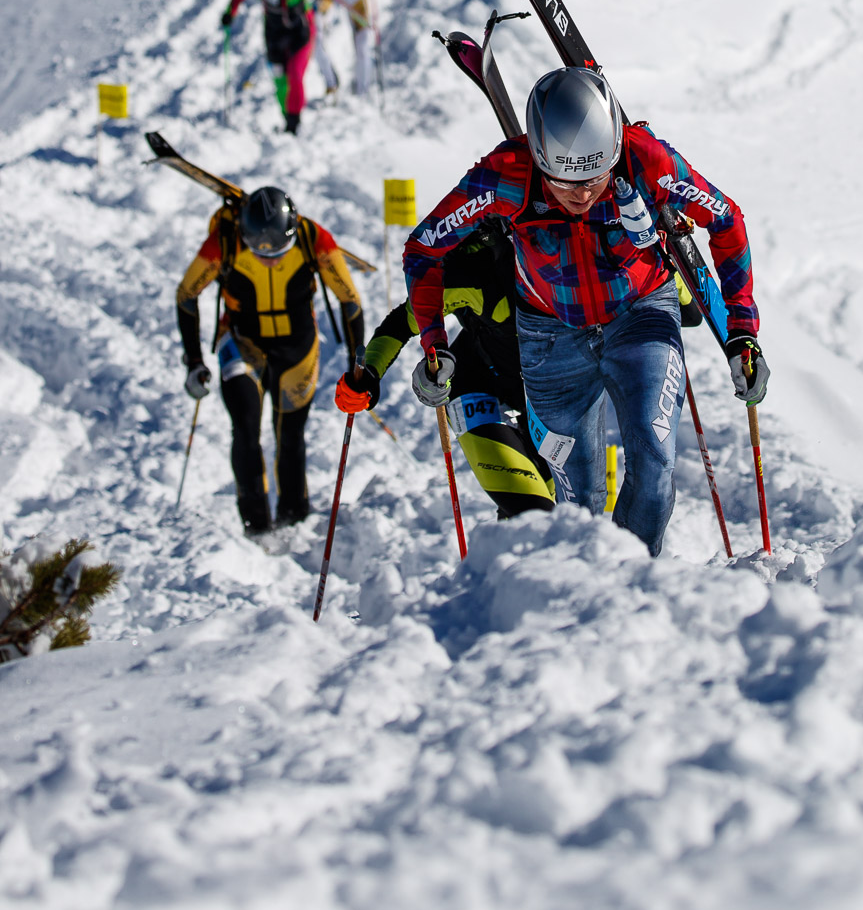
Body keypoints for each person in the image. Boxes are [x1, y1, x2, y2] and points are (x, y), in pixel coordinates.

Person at [403, 67, 767, 556]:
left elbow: (725, 219)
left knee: (654, 461)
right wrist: (433, 343)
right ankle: (588, 586)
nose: (582, 194)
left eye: (596, 178)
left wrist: (742, 329)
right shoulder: (503, 176)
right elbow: (425, 247)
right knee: (577, 491)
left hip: (640, 311)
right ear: (538, 159)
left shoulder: (646, 160)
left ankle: (634, 581)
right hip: (549, 333)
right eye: (564, 182)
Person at [177, 186, 365, 534]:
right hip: (242, 343)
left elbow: (350, 299)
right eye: (259, 252)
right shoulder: (225, 240)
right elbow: (187, 294)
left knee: (290, 435)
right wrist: (194, 360)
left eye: (280, 251)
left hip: (298, 350)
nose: (270, 259)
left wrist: (360, 365)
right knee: (246, 427)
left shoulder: (313, 237)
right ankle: (256, 524)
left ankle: (294, 519)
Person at [338, 218, 556, 517]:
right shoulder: (475, 274)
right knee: (535, 512)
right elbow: (402, 322)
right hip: (474, 382)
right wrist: (369, 375)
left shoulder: (572, 264)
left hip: (544, 397)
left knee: (558, 510)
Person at [221, 0, 377, 133]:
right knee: (279, 80)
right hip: (273, 32)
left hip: (301, 30)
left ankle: (293, 126)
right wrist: (230, 12)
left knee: (295, 75)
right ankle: (287, 117)